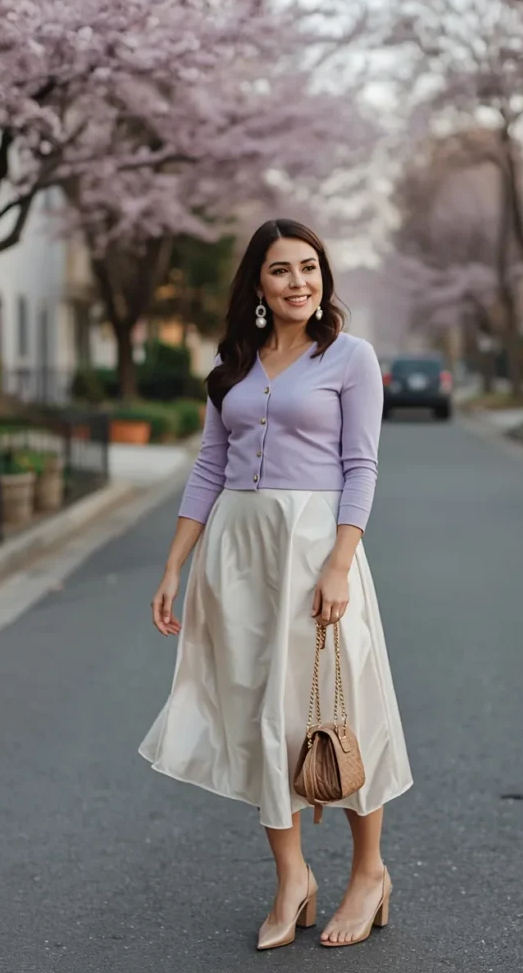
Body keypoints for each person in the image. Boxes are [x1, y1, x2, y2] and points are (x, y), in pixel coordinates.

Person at [139, 218, 412, 950]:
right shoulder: (231, 363)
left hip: (314, 546)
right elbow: (208, 466)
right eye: (282, 270)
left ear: (323, 277)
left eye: (309, 268)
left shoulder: (350, 357)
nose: (299, 282)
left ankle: (368, 873)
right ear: (257, 285)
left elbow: (361, 467)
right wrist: (174, 565)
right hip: (238, 551)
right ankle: (292, 878)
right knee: (260, 709)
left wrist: (339, 564)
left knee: (339, 703)